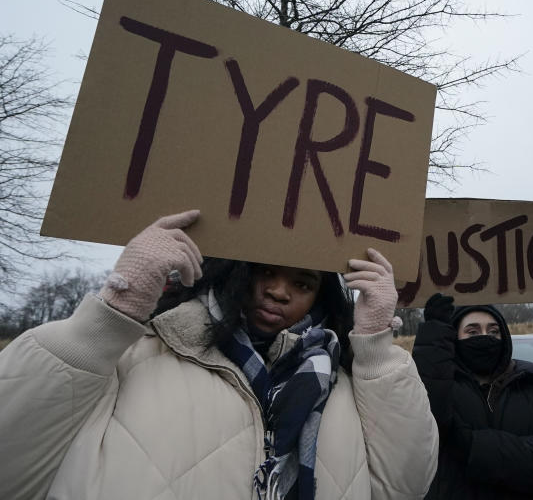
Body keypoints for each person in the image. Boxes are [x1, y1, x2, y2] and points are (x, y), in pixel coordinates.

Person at [0, 210, 439, 500]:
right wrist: (113, 315)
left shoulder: (343, 381)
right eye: (265, 270)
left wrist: (377, 345)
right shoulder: (135, 352)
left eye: (303, 283)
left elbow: (406, 485)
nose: (279, 291)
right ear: (235, 270)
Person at [412, 293, 533, 499]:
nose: (485, 337)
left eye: (494, 331)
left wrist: (473, 446)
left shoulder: (527, 387)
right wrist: (433, 340)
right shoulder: (445, 388)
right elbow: (429, 416)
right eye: (472, 332)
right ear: (455, 339)